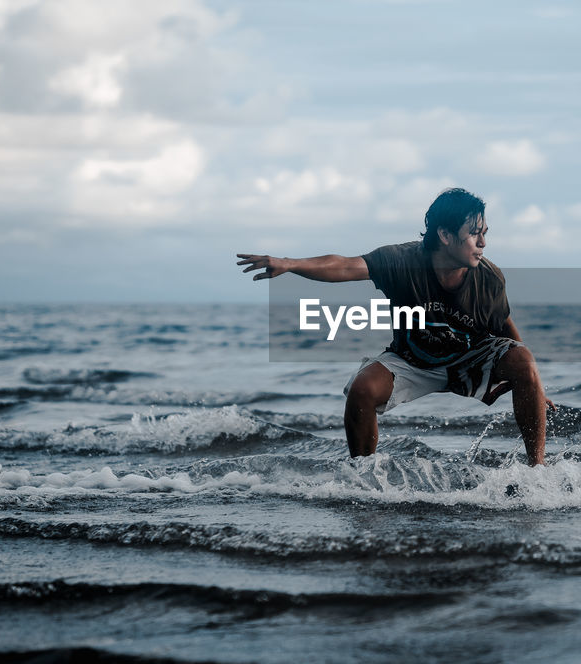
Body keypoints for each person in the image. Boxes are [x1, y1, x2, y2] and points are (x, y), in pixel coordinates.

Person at [236, 188, 555, 466]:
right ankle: (363, 481)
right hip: (413, 359)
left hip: (469, 359)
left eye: (485, 232)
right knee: (362, 389)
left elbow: (503, 325)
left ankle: (536, 473)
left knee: (523, 361)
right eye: (474, 233)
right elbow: (346, 265)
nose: (483, 242)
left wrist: (530, 380)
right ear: (445, 235)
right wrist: (291, 264)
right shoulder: (401, 261)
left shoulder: (488, 277)